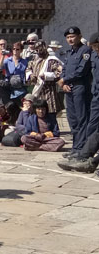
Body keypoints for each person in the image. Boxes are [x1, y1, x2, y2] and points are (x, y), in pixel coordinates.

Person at [60, 27, 93, 158]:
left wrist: (65, 79)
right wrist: (64, 83)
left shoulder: (85, 51)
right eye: (68, 37)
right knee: (72, 119)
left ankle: (81, 148)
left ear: (79, 36)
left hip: (80, 88)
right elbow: (64, 68)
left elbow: (81, 70)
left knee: (81, 119)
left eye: (72, 37)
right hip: (69, 88)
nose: (70, 39)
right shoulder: (69, 52)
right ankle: (75, 147)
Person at [26, 40, 63, 116]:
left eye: (41, 49)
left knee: (50, 113)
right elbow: (28, 69)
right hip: (37, 90)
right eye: (37, 50)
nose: (39, 51)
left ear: (45, 47)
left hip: (49, 91)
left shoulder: (52, 60)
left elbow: (58, 73)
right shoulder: (34, 59)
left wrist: (46, 75)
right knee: (37, 113)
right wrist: (30, 75)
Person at [0, 42, 28, 106]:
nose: (15, 50)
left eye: (17, 49)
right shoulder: (8, 60)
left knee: (21, 105)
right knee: (10, 106)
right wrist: (2, 56)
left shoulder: (24, 62)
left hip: (21, 87)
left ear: (21, 50)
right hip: (9, 87)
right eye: (14, 49)